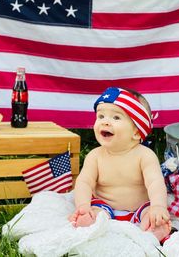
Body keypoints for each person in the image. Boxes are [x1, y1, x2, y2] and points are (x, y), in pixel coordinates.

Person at [69, 87, 172, 242]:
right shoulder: (95, 156)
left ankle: (154, 229)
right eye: (101, 116)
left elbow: (155, 183)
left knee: (151, 214)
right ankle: (89, 221)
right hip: (104, 206)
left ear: (136, 132)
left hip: (139, 208)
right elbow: (84, 182)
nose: (105, 121)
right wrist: (83, 205)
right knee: (94, 214)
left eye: (116, 118)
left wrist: (158, 207)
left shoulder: (145, 156)